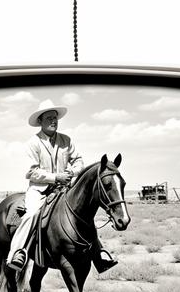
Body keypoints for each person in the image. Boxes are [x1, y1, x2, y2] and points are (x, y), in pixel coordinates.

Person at [6, 100, 117, 273]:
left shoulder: (66, 140)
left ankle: (99, 254)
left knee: (83, 215)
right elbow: (31, 172)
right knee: (32, 214)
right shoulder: (33, 143)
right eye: (49, 118)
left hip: (64, 188)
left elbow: (78, 160)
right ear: (40, 121)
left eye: (55, 118)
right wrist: (56, 177)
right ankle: (18, 252)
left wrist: (72, 173)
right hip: (39, 189)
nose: (54, 121)